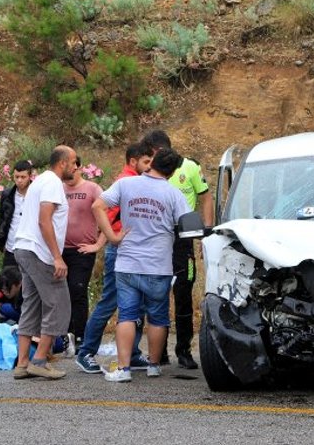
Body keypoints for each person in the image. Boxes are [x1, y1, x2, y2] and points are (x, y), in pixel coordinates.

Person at [93, 148, 191, 382]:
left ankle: (124, 370)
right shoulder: (174, 194)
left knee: (127, 315)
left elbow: (97, 206)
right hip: (158, 265)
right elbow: (187, 225)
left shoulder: (126, 185)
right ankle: (154, 366)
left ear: (152, 162)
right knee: (158, 317)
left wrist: (112, 237)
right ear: (174, 171)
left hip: (127, 262)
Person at [75, 142, 153, 374]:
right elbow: (103, 212)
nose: (150, 167)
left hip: (134, 251)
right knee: (109, 302)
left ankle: (134, 354)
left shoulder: (137, 183)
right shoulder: (124, 183)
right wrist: (108, 240)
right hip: (120, 251)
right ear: (133, 161)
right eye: (146, 162)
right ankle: (86, 352)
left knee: (137, 305)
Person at [141, 129, 215, 369]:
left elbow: (205, 198)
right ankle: (158, 352)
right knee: (157, 293)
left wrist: (207, 232)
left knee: (183, 294)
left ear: (158, 151)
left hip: (183, 237)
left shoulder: (190, 168)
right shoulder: (147, 173)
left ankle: (184, 350)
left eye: (150, 154)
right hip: (157, 237)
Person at [12, 145, 77, 380]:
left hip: (24, 248)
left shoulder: (39, 181)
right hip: (39, 252)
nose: (75, 167)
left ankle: (22, 363)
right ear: (62, 163)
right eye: (73, 162)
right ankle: (39, 360)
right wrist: (57, 257)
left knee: (32, 304)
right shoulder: (52, 183)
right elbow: (44, 220)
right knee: (57, 303)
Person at [63, 155, 105, 347]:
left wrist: (98, 244)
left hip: (83, 250)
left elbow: (110, 215)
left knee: (77, 290)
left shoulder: (92, 189)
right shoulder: (58, 189)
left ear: (79, 167)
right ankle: (64, 336)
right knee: (61, 294)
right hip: (60, 250)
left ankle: (80, 337)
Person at [0, 160, 34, 267]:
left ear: (30, 176)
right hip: (11, 248)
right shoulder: (7, 194)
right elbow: (2, 217)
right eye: (16, 177)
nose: (19, 180)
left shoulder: (36, 194)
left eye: (23, 177)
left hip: (30, 249)